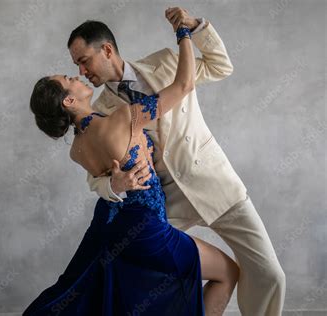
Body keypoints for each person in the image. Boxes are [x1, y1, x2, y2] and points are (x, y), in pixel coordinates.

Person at [67, 7, 285, 316]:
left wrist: (195, 26)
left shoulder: (165, 61)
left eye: (84, 61)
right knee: (137, 277)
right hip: (164, 204)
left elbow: (220, 66)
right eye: (75, 66)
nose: (81, 72)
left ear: (107, 50)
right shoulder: (99, 110)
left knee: (270, 274)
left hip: (215, 184)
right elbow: (94, 177)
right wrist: (113, 185)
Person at [23, 14, 239, 316]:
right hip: (148, 228)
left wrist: (114, 184)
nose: (77, 76)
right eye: (69, 79)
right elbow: (184, 84)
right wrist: (183, 35)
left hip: (110, 226)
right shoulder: (123, 119)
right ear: (69, 102)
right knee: (229, 272)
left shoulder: (77, 149)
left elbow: (103, 183)